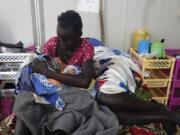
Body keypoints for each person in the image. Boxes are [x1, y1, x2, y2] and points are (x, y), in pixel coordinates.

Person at [31, 10, 180, 134]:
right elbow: (41, 69)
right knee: (109, 114)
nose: (63, 43)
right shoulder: (52, 44)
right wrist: (46, 72)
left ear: (80, 34)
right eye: (60, 37)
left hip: (84, 87)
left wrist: (49, 72)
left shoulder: (85, 47)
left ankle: (159, 108)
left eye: (68, 39)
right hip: (66, 91)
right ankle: (166, 115)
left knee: (107, 99)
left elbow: (85, 81)